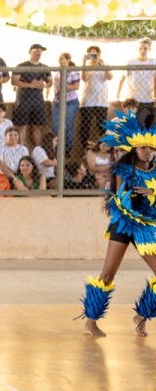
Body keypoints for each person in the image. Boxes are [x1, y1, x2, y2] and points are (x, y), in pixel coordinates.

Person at [79, 108, 156, 337]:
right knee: (107, 275)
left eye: (152, 148)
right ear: (134, 147)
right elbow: (118, 196)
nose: (148, 153)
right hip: (123, 225)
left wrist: (152, 191)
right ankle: (91, 321)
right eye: (143, 148)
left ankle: (141, 315)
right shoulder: (123, 168)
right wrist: (130, 200)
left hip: (145, 229)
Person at [11, 43, 52, 149]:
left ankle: (38, 151)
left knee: (37, 127)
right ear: (30, 52)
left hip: (38, 101)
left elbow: (50, 82)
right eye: (35, 51)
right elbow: (14, 81)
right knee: (22, 126)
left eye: (40, 51)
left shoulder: (45, 67)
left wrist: (44, 85)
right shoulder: (22, 66)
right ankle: (20, 151)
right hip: (23, 100)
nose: (38, 53)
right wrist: (31, 85)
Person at [79, 46, 113, 150]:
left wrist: (102, 65)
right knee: (85, 126)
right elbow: (84, 78)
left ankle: (102, 148)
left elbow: (109, 77)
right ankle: (85, 149)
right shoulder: (87, 66)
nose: (93, 57)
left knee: (102, 127)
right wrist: (84, 62)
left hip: (101, 102)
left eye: (95, 54)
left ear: (99, 54)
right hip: (88, 101)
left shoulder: (104, 65)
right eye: (91, 54)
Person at [115, 38, 154, 112]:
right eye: (140, 48)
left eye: (145, 48)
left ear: (149, 49)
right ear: (137, 49)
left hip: (148, 98)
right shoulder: (131, 62)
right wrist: (117, 96)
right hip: (133, 99)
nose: (142, 51)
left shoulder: (153, 62)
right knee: (133, 122)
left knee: (147, 122)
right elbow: (122, 79)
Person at [53, 52, 81, 153]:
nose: (61, 61)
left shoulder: (73, 71)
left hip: (70, 101)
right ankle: (56, 149)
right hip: (57, 101)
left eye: (63, 59)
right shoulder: (58, 72)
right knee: (56, 126)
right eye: (59, 59)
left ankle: (67, 150)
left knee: (68, 125)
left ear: (68, 60)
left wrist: (64, 87)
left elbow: (76, 86)